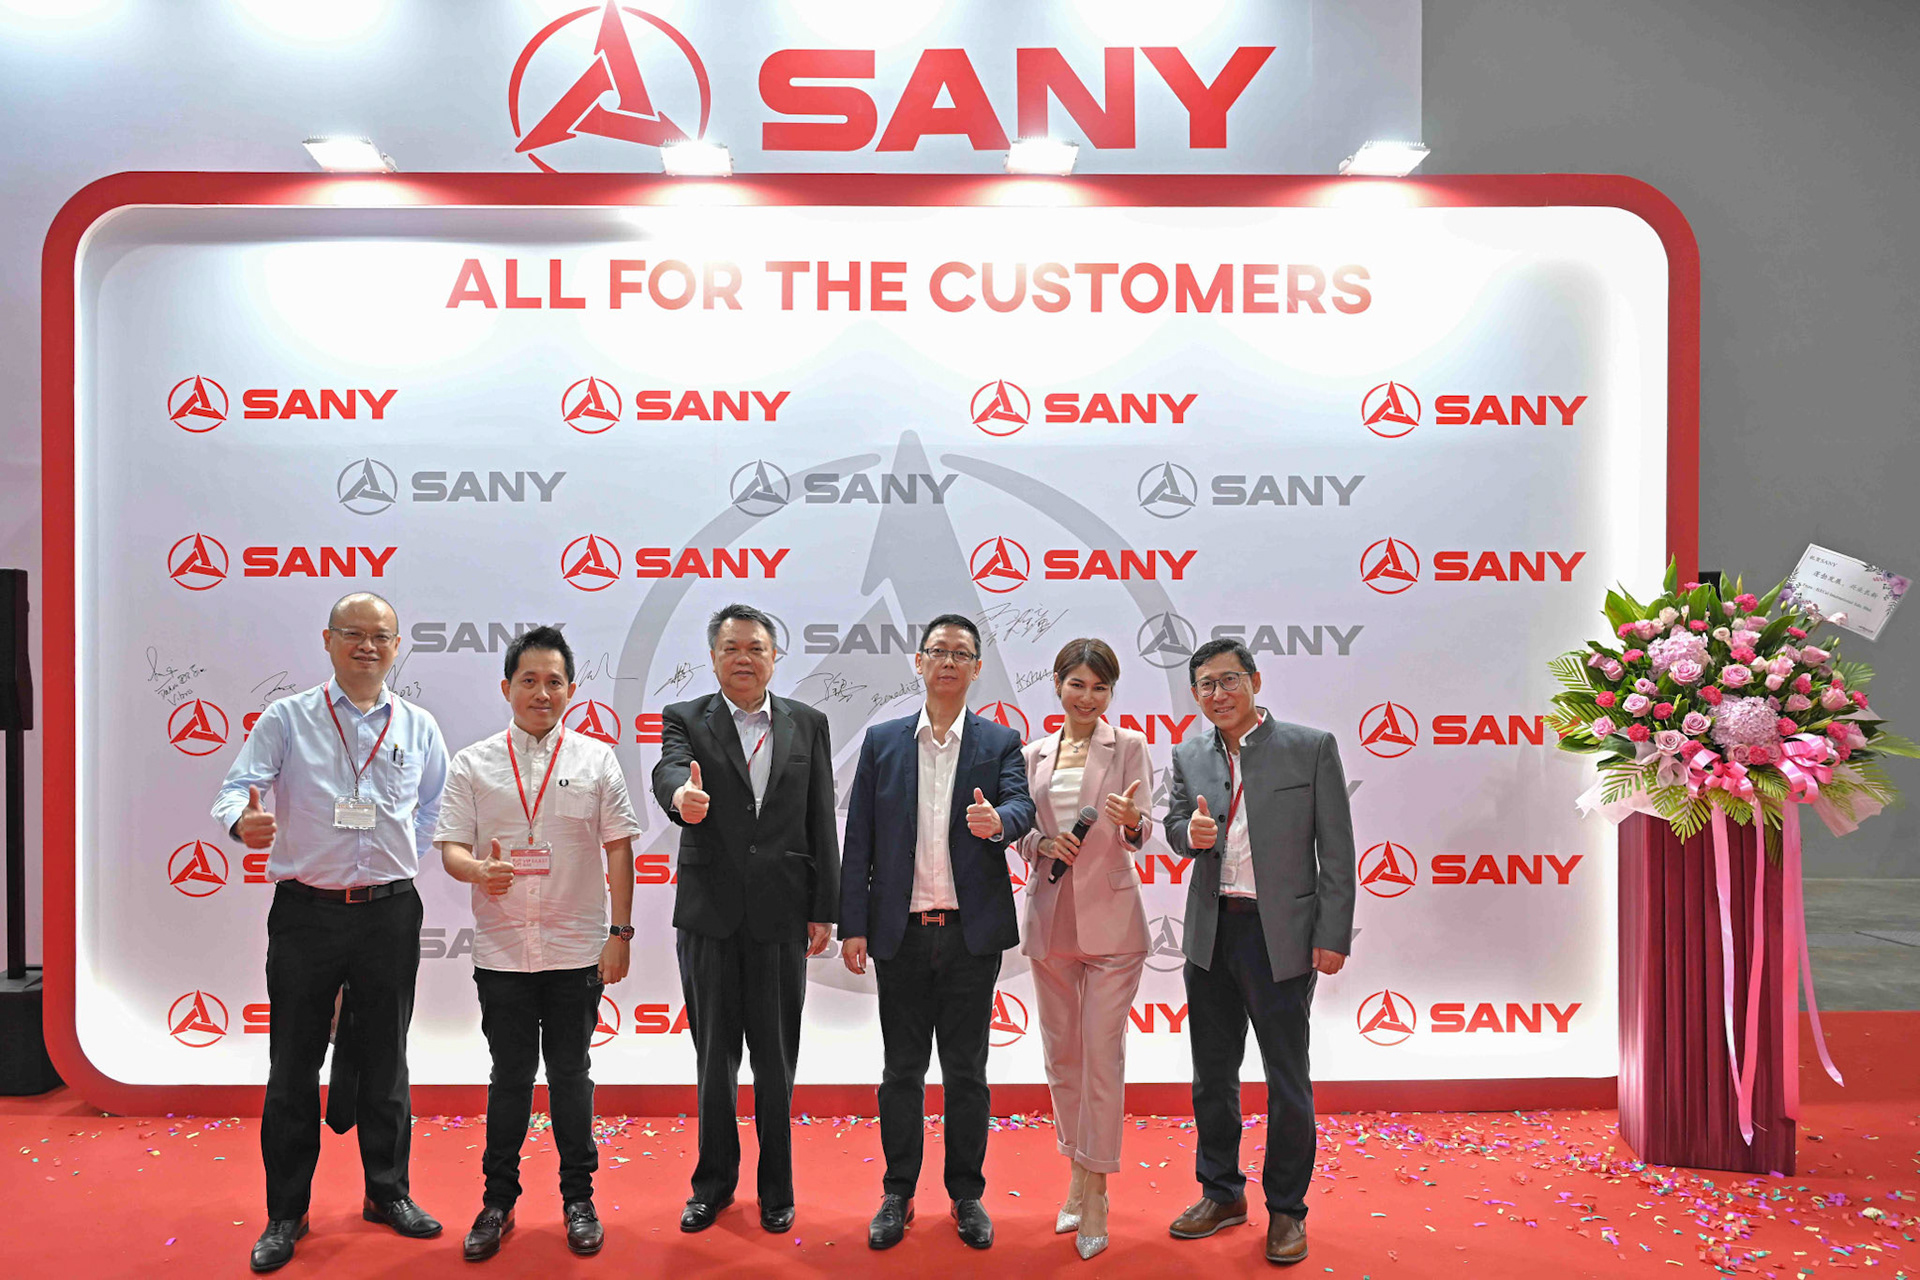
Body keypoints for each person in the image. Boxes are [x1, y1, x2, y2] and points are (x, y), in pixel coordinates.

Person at [211, 593, 450, 1274]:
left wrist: (399, 859)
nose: (367, 646)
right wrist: (242, 823)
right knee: (292, 1064)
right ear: (328, 640)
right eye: (353, 633)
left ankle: (387, 1192)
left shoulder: (418, 725)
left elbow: (433, 807)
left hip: (389, 913)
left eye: (381, 636)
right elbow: (235, 789)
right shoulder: (287, 718)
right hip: (306, 913)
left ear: (396, 646)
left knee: (387, 1059)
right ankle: (286, 1211)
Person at [433, 625, 640, 1261]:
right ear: (507, 688)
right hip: (502, 952)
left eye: (554, 682)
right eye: (529, 680)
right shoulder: (472, 763)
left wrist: (620, 934)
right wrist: (478, 870)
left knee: (572, 1076)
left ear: (571, 690)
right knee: (510, 1078)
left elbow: (619, 849)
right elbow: (451, 848)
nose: (542, 693)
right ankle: (497, 1201)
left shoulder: (596, 760)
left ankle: (579, 1200)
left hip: (576, 950)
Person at [839, 612, 1035, 1251]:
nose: (948, 662)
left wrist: (999, 821)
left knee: (967, 1073)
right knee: (901, 1071)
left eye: (961, 653)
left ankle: (966, 1193)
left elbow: (1022, 805)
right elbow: (859, 839)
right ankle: (897, 1192)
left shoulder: (999, 741)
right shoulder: (883, 742)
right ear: (919, 662)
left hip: (968, 936)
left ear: (977, 668)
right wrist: (854, 925)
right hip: (900, 935)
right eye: (938, 651)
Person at [1162, 638, 1356, 1267]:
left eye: (1229, 680)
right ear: (1195, 695)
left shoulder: (1311, 747)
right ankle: (1221, 1193)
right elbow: (1173, 827)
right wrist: (1186, 835)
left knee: (1286, 1078)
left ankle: (1287, 1210)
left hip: (1281, 936)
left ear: (1255, 680)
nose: (1218, 694)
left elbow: (1337, 851)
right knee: (1212, 1076)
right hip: (1211, 933)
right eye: (1206, 685)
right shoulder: (1188, 754)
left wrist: (1331, 934)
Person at [650, 604, 841, 1235]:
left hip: (782, 915)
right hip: (710, 916)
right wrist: (681, 797)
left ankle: (777, 1189)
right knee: (714, 1061)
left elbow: (820, 818)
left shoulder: (807, 723)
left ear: (774, 657)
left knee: (777, 1063)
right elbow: (668, 770)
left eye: (755, 648)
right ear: (713, 657)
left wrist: (824, 908)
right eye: (731, 647)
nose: (743, 658)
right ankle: (712, 1186)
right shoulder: (685, 718)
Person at [1017, 638, 1152, 1260]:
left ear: (1111, 693)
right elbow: (1022, 833)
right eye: (1077, 684)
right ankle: (1076, 1171)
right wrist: (1041, 845)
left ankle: (1096, 1191)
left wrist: (1130, 821)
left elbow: (1141, 830)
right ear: (1057, 684)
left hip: (1113, 925)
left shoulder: (1128, 746)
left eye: (1100, 687)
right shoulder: (1032, 754)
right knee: (1063, 1060)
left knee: (1101, 1058)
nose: (1088, 697)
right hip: (1050, 921)